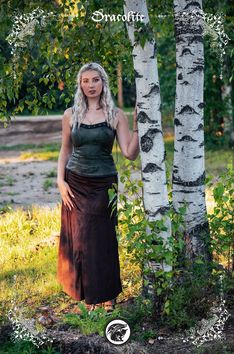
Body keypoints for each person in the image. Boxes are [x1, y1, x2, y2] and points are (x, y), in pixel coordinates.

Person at [56, 62, 139, 313]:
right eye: (85, 81)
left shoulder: (116, 115)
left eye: (95, 80)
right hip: (76, 182)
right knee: (80, 238)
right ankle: (88, 295)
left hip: (104, 184)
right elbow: (65, 150)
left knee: (103, 239)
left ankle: (107, 296)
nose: (90, 85)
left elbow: (129, 153)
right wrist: (60, 181)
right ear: (80, 85)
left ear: (103, 83)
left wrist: (138, 124)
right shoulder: (71, 114)